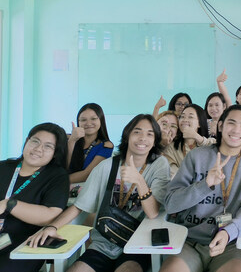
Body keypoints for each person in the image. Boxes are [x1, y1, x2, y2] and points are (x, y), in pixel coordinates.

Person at [28, 114, 170, 272]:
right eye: (137, 132)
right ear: (127, 134)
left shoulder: (159, 165)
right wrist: (52, 227)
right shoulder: (106, 166)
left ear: (155, 140)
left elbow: (152, 213)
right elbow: (78, 207)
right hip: (103, 244)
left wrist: (140, 181)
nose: (143, 138)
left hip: (137, 245)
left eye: (150, 134)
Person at [160, 105, 241, 272]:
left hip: (230, 244)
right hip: (189, 241)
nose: (237, 129)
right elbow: (171, 204)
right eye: (232, 123)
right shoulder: (197, 156)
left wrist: (229, 232)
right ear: (221, 126)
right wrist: (205, 184)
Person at [0, 123, 69, 272]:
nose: (38, 149)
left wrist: (9, 204)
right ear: (26, 141)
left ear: (55, 153)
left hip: (23, 244)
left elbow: (51, 214)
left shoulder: (57, 176)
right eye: (35, 141)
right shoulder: (4, 167)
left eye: (48, 146)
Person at [163, 104, 214, 178]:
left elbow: (217, 149)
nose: (185, 120)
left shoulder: (209, 142)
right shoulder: (171, 147)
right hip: (183, 187)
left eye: (190, 117)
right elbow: (174, 175)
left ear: (199, 123)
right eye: (182, 116)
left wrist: (197, 137)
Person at [67, 103, 114, 184]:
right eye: (83, 120)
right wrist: (72, 141)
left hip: (82, 189)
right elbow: (61, 166)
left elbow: (87, 174)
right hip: (57, 187)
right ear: (78, 122)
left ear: (101, 120)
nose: (88, 123)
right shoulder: (68, 138)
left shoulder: (106, 145)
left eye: (93, 119)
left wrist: (57, 181)